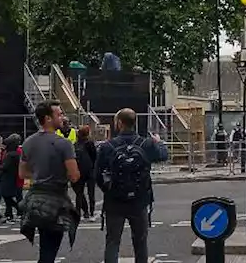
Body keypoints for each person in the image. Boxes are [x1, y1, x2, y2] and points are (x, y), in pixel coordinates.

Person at [96, 108, 169, 263]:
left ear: (120, 123)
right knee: (140, 241)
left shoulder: (108, 146)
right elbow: (164, 155)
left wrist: (109, 190)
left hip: (115, 202)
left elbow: (97, 175)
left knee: (113, 242)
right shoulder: (146, 144)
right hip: (139, 200)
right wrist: (159, 142)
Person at [20, 100, 81, 263]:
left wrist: (40, 172)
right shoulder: (64, 144)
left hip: (35, 199)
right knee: (49, 250)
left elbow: (22, 173)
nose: (63, 117)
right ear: (47, 118)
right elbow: (74, 175)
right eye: (59, 114)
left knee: (45, 246)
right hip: (56, 200)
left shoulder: (28, 142)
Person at [72, 125, 97, 221]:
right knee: (91, 193)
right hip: (89, 171)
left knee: (79, 193)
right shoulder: (89, 144)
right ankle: (91, 212)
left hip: (79, 170)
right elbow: (94, 156)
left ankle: (79, 212)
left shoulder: (75, 145)